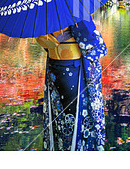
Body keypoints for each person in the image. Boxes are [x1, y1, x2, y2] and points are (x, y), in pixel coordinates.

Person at [35, 19, 107, 151]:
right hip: (72, 67)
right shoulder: (73, 6)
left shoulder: (45, 10)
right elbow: (90, 42)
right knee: (75, 115)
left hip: (54, 66)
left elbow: (45, 43)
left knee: (59, 116)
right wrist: (96, 28)